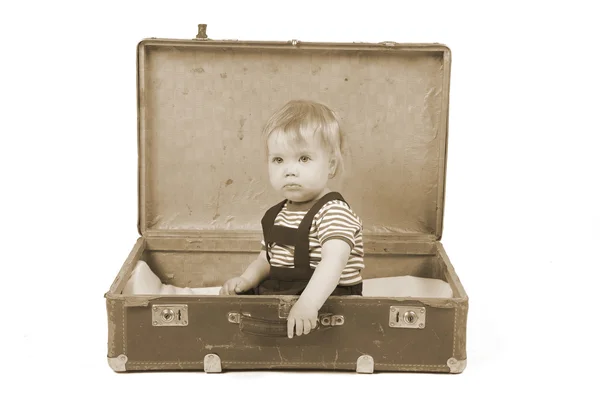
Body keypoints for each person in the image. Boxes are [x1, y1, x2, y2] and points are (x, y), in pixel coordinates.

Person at [219, 100, 365, 339]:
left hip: (329, 296)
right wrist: (246, 279)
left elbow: (333, 262)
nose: (290, 170)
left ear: (330, 165)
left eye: (304, 159)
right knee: (232, 309)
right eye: (278, 160)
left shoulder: (333, 211)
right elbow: (267, 259)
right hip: (284, 289)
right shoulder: (277, 214)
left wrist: (309, 303)